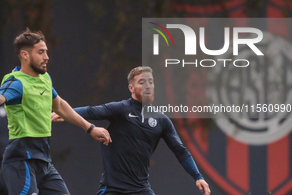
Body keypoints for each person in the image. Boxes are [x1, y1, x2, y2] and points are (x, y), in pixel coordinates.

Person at [0, 28, 111, 195]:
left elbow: (60, 106)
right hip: (21, 161)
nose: (46, 57)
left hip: (43, 161)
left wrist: (90, 128)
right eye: (41, 52)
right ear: (25, 55)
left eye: (46, 52)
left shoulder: (45, 78)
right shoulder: (16, 83)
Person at [52, 66, 211, 195]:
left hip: (141, 189)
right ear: (131, 87)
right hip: (113, 189)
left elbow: (180, 150)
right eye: (142, 82)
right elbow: (91, 111)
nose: (148, 85)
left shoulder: (162, 120)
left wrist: (198, 177)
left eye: (151, 82)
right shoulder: (121, 109)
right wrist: (66, 113)